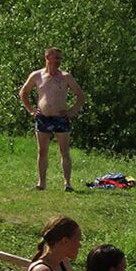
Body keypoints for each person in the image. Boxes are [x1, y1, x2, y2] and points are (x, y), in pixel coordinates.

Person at [18, 47, 88, 192]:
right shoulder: (37, 75)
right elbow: (23, 93)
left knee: (64, 151)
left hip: (61, 118)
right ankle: (41, 183)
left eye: (60, 59)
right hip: (43, 118)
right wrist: (31, 110)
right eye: (56, 58)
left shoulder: (66, 77)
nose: (58, 61)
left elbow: (80, 96)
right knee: (42, 151)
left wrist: (72, 111)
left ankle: (67, 183)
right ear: (48, 57)